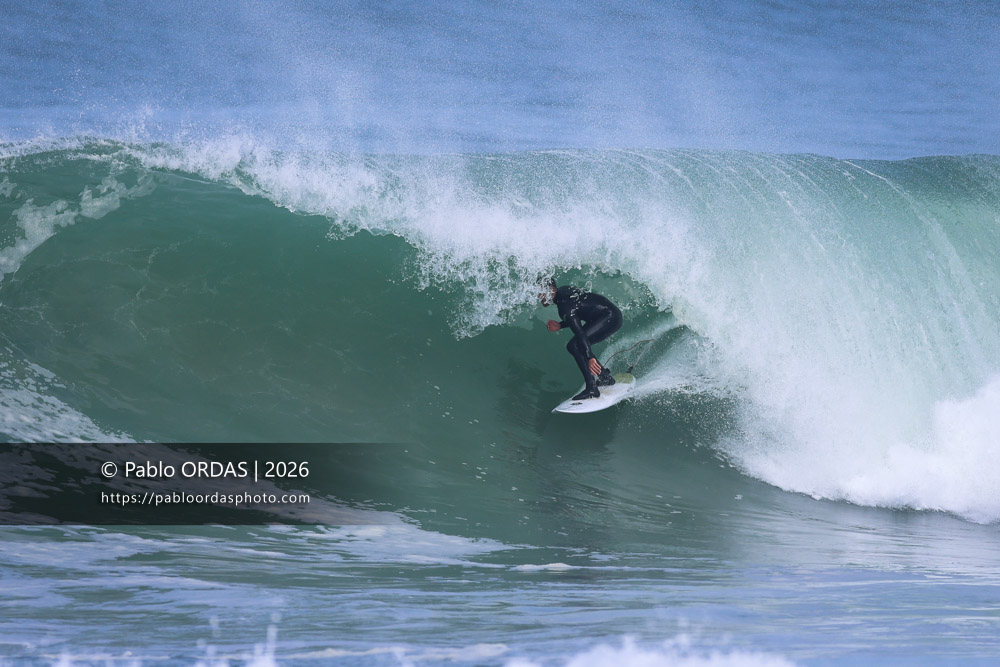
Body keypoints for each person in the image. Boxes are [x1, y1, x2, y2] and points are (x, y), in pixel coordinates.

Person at [539, 278, 623, 400]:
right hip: (602, 316)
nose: (538, 295)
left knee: (575, 345)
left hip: (610, 317)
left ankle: (592, 388)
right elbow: (580, 310)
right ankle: (605, 378)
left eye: (541, 291)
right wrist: (561, 325)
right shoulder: (564, 290)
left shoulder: (564, 307)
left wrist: (590, 356)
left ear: (552, 290)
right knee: (574, 345)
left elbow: (580, 333)